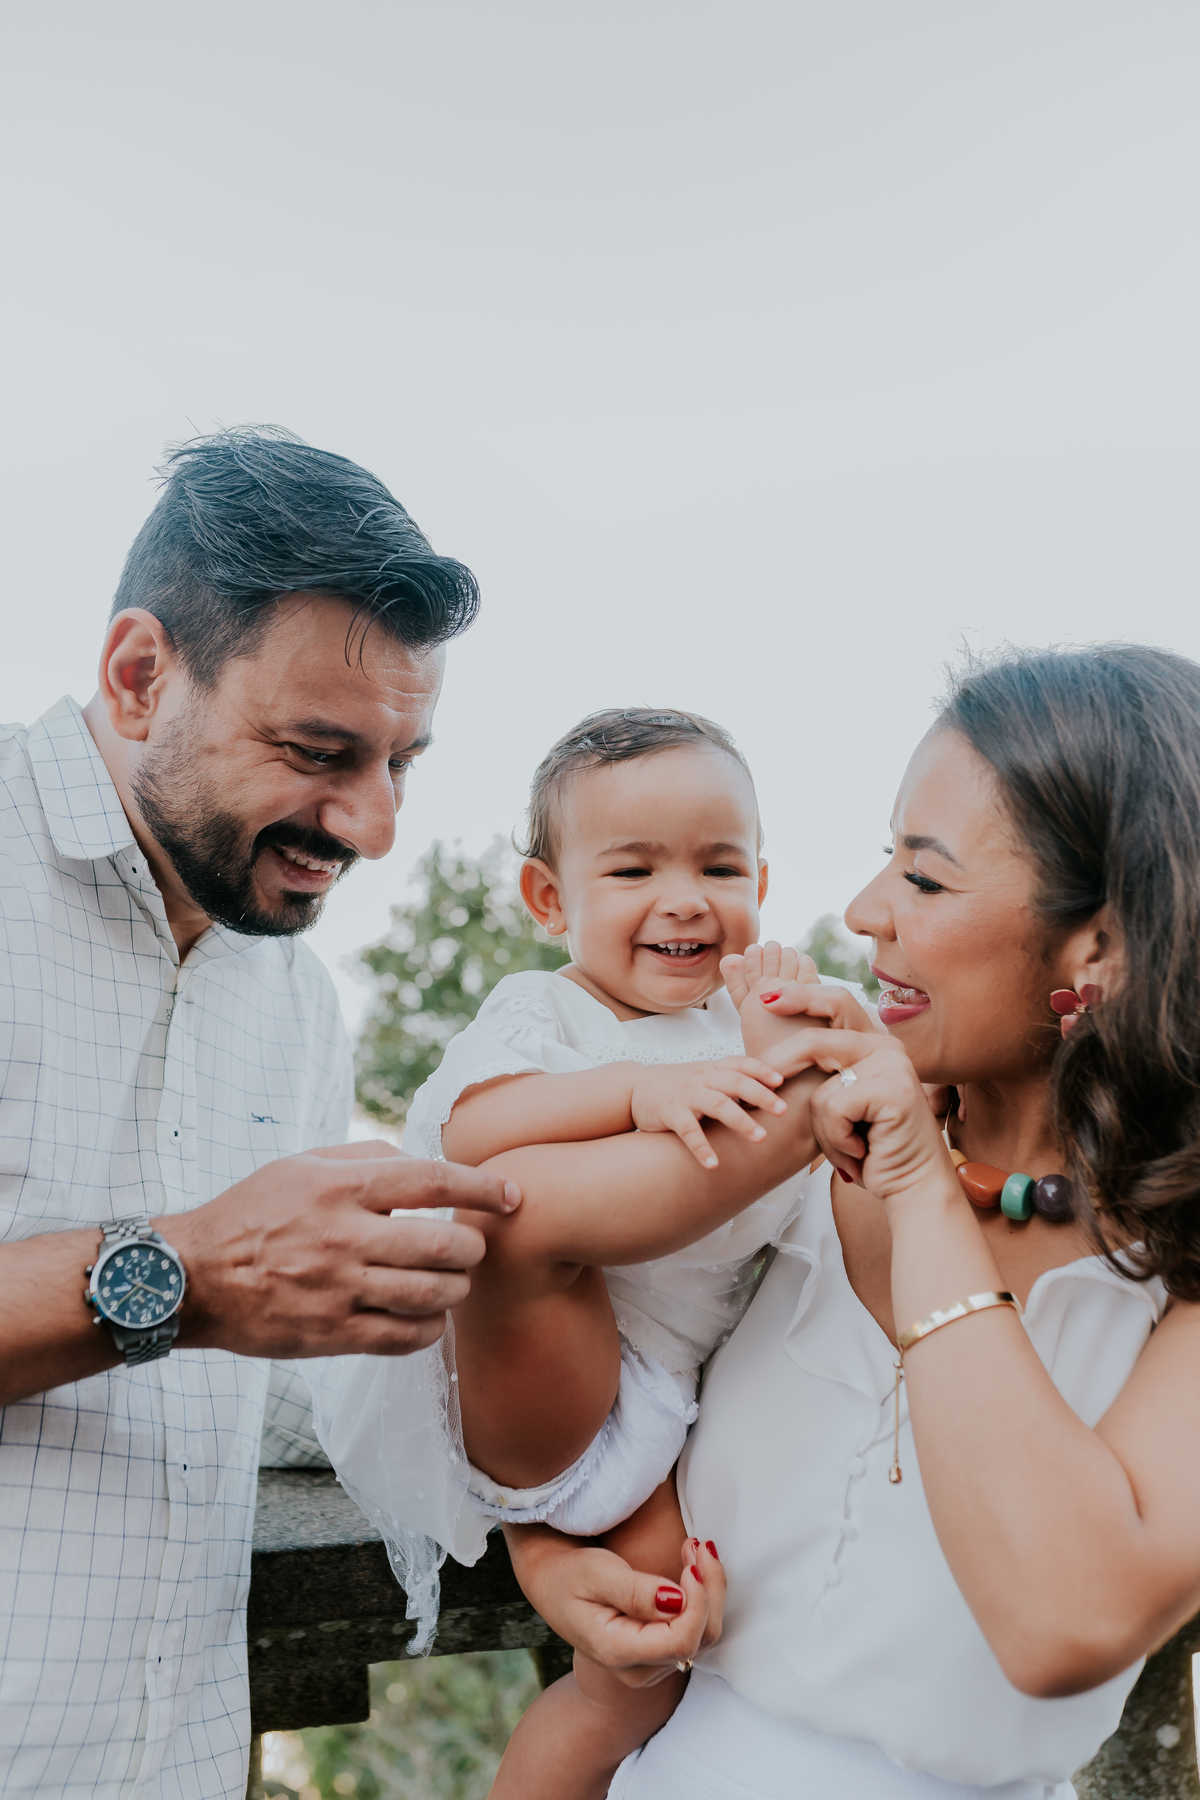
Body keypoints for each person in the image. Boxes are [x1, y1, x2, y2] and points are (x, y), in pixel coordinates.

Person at [502, 643, 1200, 1800]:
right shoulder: (785, 1150)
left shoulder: (1176, 1282)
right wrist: (548, 1554)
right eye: (888, 859)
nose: (864, 910)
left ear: (1104, 948)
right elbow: (577, 1338)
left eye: (925, 881)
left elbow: (1064, 1621)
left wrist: (924, 1191)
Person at [0, 427, 519, 1800]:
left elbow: (280, 1402)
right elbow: (213, 1288)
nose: (372, 824)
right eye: (317, 751)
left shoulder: (296, 1003)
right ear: (138, 676)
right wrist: (180, 1274)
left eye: (403, 762)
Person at [309, 707, 870, 1796]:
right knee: (508, 1216)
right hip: (553, 1388)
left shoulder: (737, 1029)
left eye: (721, 865)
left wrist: (784, 1038)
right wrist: (635, 1089)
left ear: (762, 879)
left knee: (638, 1680)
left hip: (676, 1416)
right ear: (549, 901)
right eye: (633, 869)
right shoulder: (548, 1014)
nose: (684, 897)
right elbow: (470, 1135)